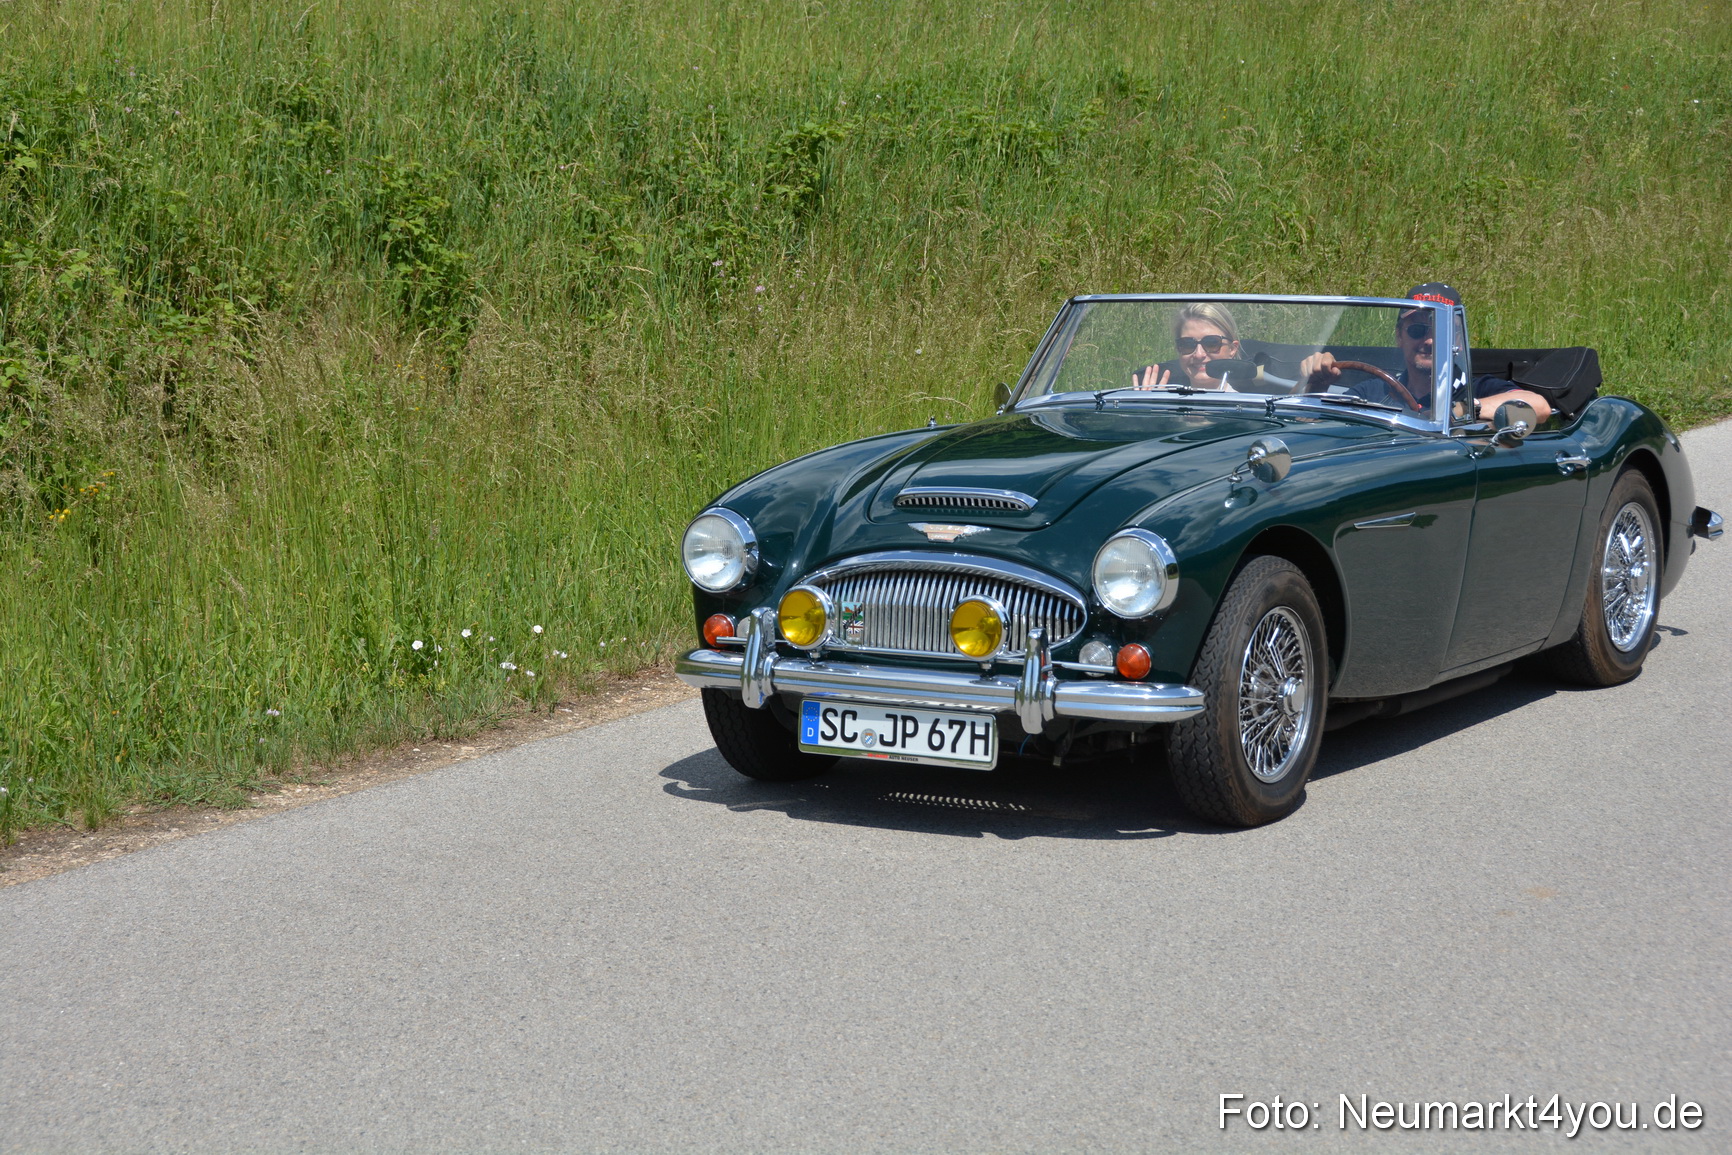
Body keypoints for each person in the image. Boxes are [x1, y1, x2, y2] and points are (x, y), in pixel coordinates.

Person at [1299, 284, 1554, 422]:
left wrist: (1461, 410)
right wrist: (1313, 384)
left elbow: (1538, 406)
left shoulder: (1477, 389)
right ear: (1399, 336)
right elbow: (1304, 423)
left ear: (1458, 342)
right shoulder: (1375, 392)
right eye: (1418, 330)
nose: (1429, 341)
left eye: (1441, 332)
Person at [1135, 302, 1244, 391]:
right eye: (1187, 344)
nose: (1199, 354)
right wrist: (1147, 411)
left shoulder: (1245, 411)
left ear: (1232, 349)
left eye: (1211, 343)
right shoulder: (1163, 404)